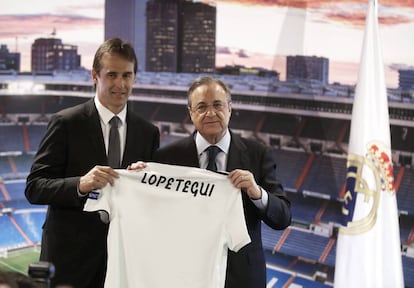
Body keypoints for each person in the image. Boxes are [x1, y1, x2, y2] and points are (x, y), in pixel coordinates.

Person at [24, 38, 160, 288]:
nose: (120, 84)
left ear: (134, 77)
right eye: (112, 75)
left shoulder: (148, 132)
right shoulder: (66, 123)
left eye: (127, 75)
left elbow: (151, 202)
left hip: (123, 261)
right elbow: (35, 187)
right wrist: (80, 184)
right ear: (95, 76)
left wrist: (147, 182)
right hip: (70, 261)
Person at [154, 76, 291, 288]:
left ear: (230, 108)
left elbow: (283, 217)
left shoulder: (258, 153)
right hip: (185, 275)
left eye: (217, 104)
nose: (210, 113)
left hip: (243, 278)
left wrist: (257, 193)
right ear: (191, 113)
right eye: (201, 107)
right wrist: (142, 178)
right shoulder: (167, 158)